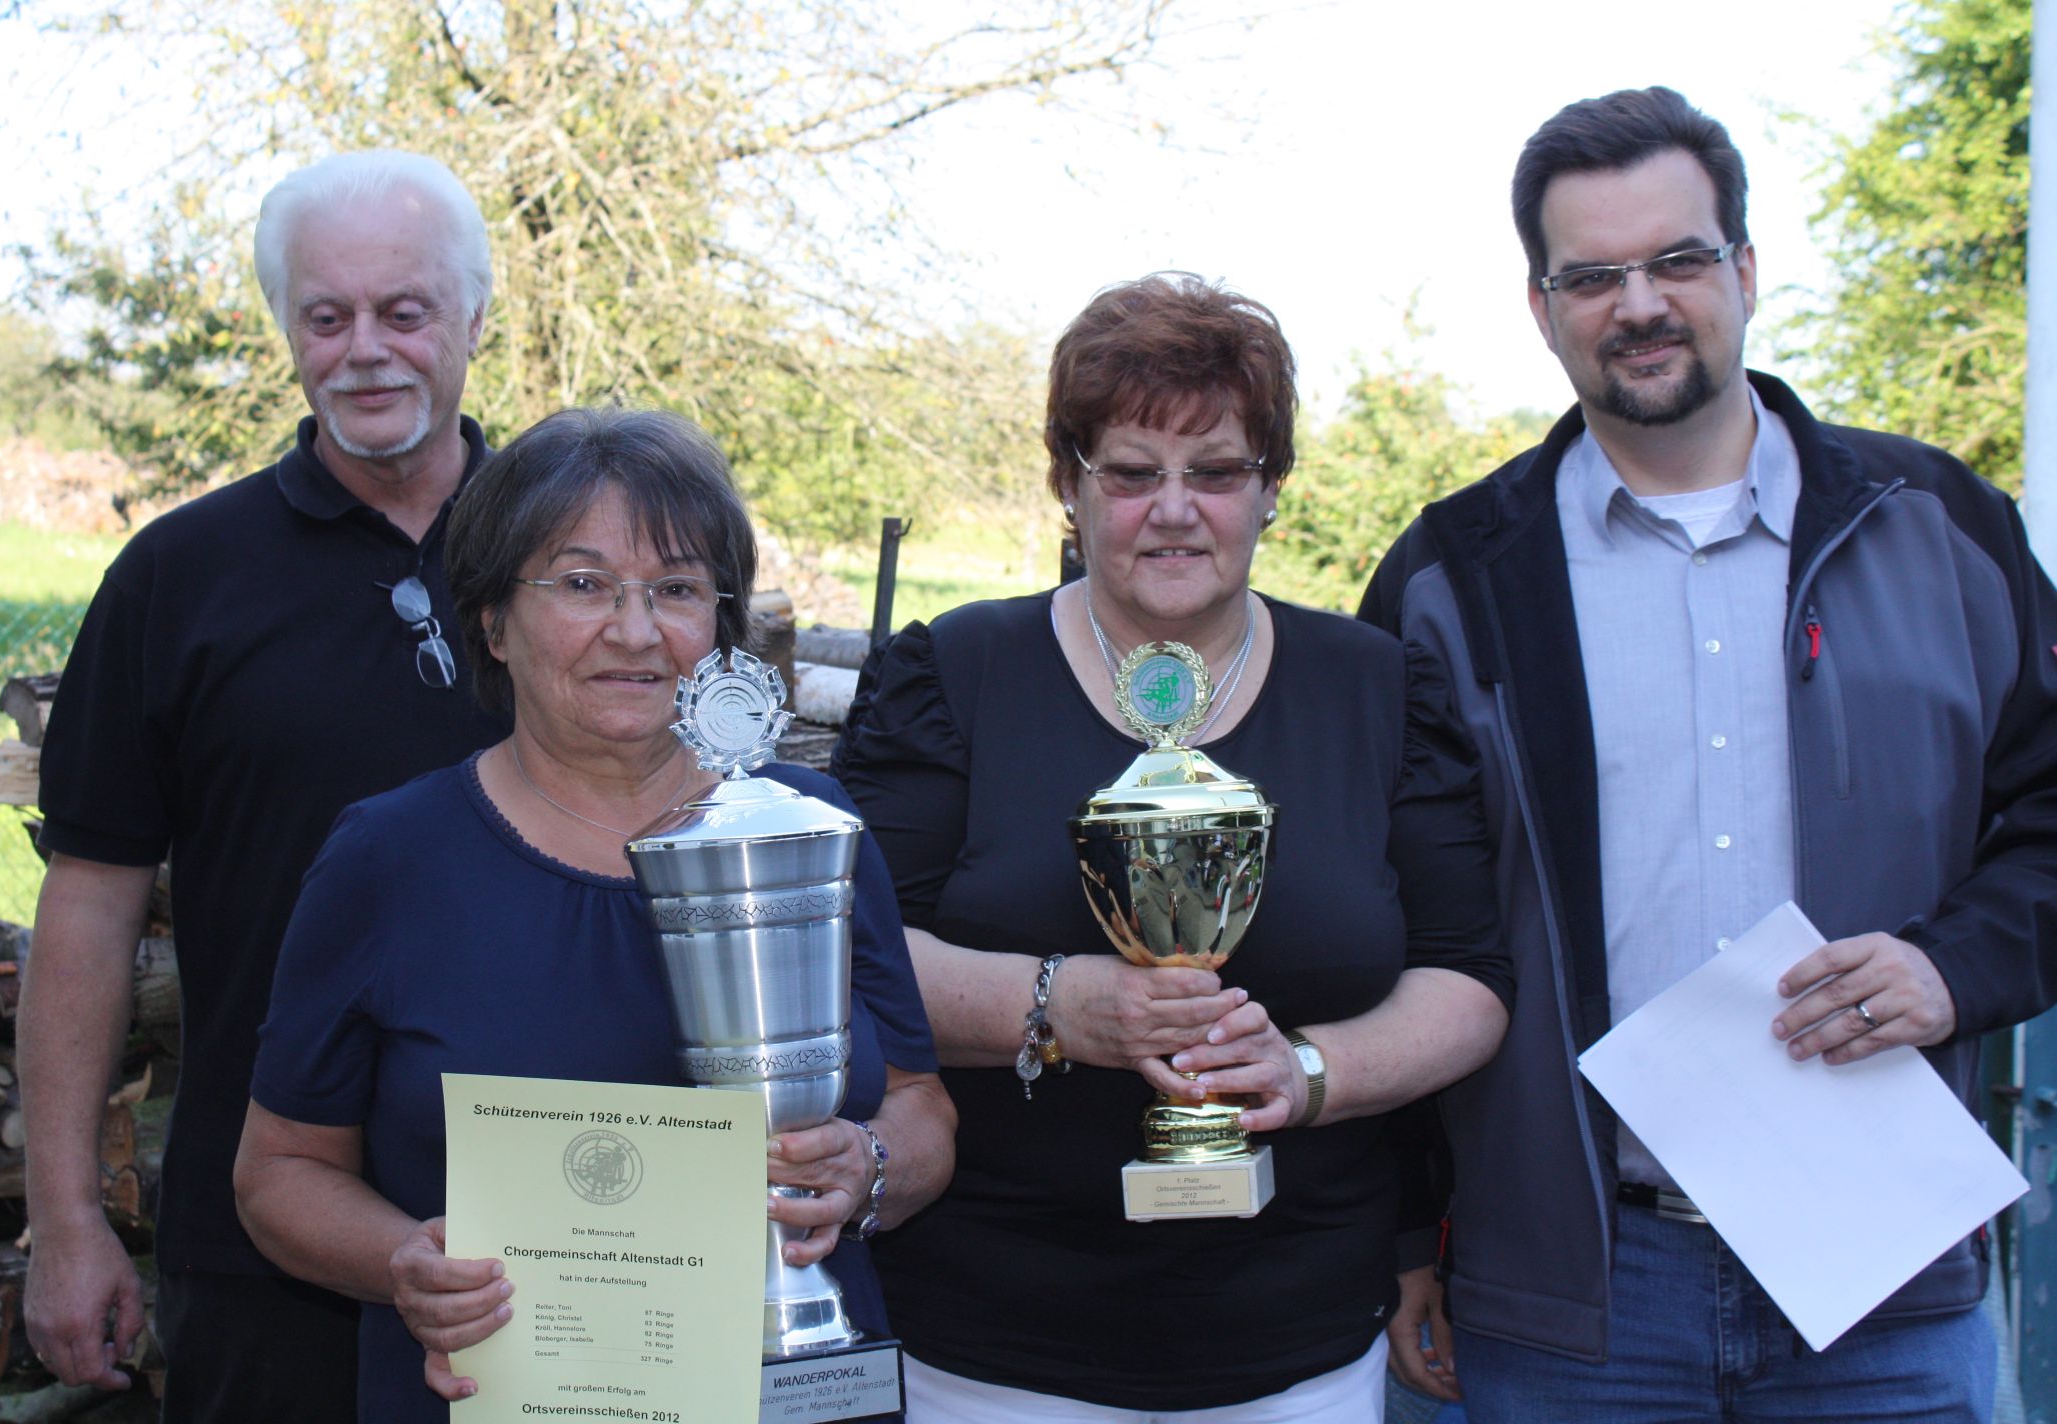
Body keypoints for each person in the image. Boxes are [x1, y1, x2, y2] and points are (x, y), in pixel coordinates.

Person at [1362, 87, 2057, 1423]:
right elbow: (1398, 920)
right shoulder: (1456, 580)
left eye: (1677, 259)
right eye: (1593, 276)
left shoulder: (1941, 528)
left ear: (1743, 267)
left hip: (1883, 1277)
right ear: (1542, 306)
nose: (1640, 304)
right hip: (1574, 1305)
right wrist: (1405, 1233)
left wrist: (1952, 967)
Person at [829, 272, 1514, 1422]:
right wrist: (1057, 1005)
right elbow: (861, 951)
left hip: (1301, 1345)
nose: (1176, 509)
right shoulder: (954, 673)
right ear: (1070, 483)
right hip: (990, 1344)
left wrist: (1306, 1073)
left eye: (1218, 471)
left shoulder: (1378, 686)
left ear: (1271, 487)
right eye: (1133, 472)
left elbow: (1470, 976)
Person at [233, 407, 956, 1422]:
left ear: (720, 624)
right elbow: (279, 1171)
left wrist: (868, 1166)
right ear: (493, 621)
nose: (635, 629)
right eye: (582, 584)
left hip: (797, 1388)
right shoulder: (387, 859)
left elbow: (922, 1106)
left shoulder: (809, 827)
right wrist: (401, 1261)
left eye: (677, 588)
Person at [19, 151, 511, 1421]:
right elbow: (89, 907)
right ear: (285, 326)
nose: (365, 350)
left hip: (556, 1223)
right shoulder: (179, 576)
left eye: (404, 311)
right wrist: (65, 1218)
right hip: (263, 1240)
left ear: (475, 314)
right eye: (325, 315)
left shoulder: (577, 557)